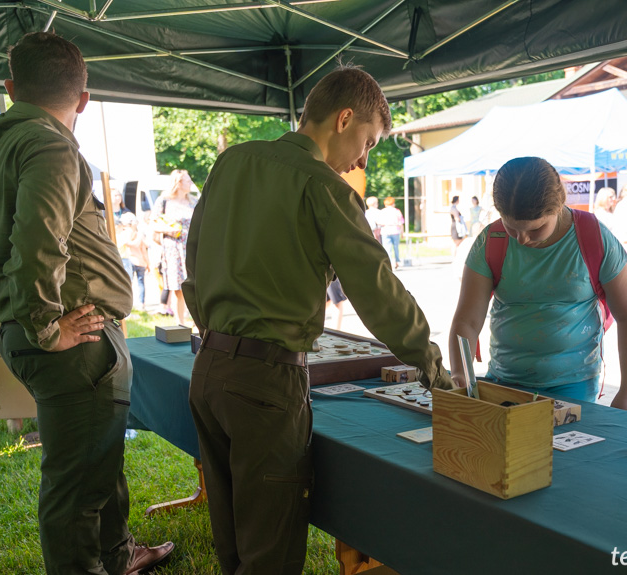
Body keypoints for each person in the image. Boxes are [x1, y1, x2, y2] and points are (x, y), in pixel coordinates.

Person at [0, 32, 172, 575]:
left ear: (10, 89)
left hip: (52, 335)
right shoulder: (52, 145)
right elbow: (38, 242)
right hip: (71, 339)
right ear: (83, 98)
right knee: (76, 484)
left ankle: (119, 554)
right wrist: (45, 324)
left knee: (95, 459)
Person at [182, 65, 453, 575]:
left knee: (232, 536)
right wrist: (431, 362)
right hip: (266, 381)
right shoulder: (325, 187)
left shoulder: (232, 162)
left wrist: (213, 328)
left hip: (210, 369)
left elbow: (192, 257)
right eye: (368, 141)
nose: (363, 158)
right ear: (345, 119)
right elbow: (376, 289)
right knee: (271, 550)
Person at [448, 157, 627, 409]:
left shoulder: (593, 237)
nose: (523, 239)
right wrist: (460, 375)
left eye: (536, 229)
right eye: (512, 228)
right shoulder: (491, 240)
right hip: (505, 382)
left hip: (574, 386)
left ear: (559, 205)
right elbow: (467, 321)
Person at [151, 169, 197, 325]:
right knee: (179, 288)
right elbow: (153, 223)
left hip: (192, 248)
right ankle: (180, 323)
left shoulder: (193, 201)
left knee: (195, 285)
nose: (191, 183)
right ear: (178, 183)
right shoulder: (164, 201)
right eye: (188, 180)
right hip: (174, 249)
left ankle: (197, 321)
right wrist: (168, 230)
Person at [116, 212, 149, 310]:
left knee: (130, 283)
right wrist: (148, 263)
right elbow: (144, 248)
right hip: (136, 261)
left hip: (131, 260)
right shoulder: (138, 234)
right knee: (138, 283)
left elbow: (134, 245)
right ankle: (140, 304)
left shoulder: (126, 233)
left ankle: (131, 303)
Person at [378, 196, 404, 268]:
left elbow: (379, 222)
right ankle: (397, 262)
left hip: (385, 231)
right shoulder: (397, 211)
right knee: (396, 247)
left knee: (387, 248)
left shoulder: (382, 211)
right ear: (393, 204)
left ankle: (389, 263)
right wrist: (402, 233)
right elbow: (401, 223)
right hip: (395, 230)